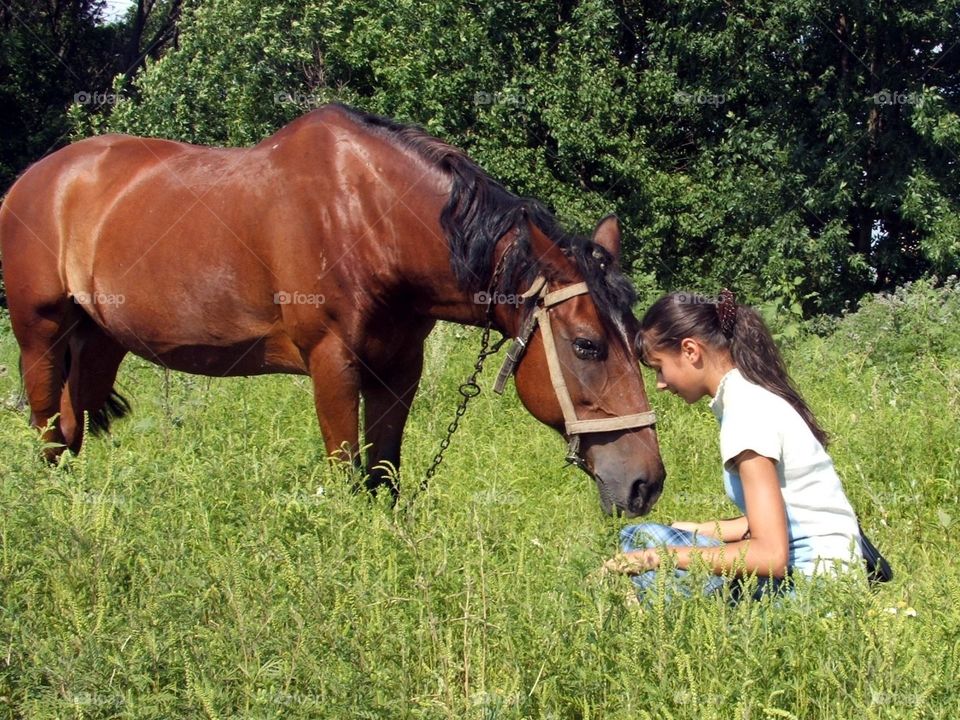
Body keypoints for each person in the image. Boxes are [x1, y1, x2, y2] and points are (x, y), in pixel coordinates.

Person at [605, 289, 877, 601]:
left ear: (691, 351)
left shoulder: (745, 413)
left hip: (812, 590)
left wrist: (655, 558)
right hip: (833, 580)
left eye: (659, 368)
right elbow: (786, 516)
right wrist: (702, 529)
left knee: (640, 541)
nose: (661, 384)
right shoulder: (750, 398)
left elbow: (771, 555)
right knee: (648, 537)